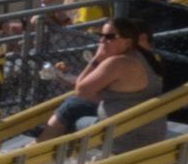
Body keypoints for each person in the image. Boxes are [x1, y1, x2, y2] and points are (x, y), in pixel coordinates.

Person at [36, 17, 166, 151]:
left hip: (125, 137)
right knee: (73, 105)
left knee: (72, 109)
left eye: (110, 37)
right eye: (101, 36)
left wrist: (97, 57)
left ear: (127, 42)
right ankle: (40, 149)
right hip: (143, 130)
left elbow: (81, 90)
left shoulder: (118, 63)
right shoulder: (142, 57)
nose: (102, 41)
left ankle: (36, 152)